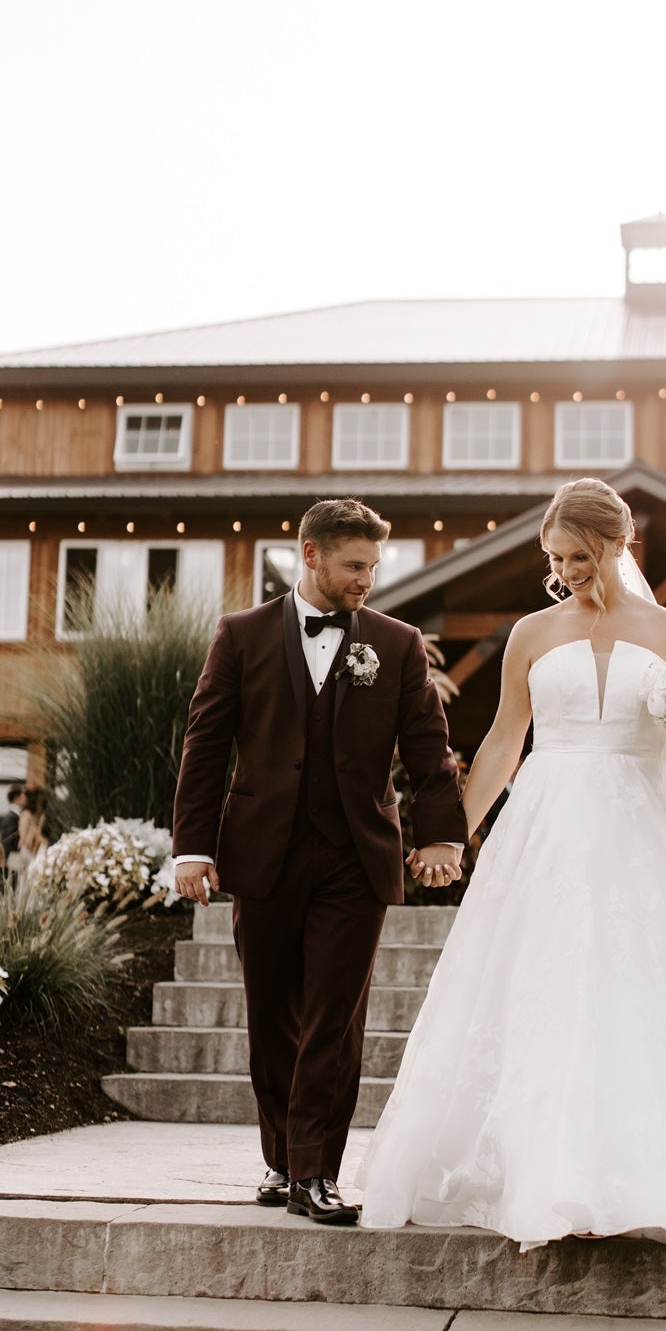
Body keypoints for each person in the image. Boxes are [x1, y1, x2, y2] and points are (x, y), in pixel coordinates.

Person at [360, 478, 666, 1250]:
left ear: (618, 545)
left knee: (641, 989)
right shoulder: (530, 632)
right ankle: (542, 1173)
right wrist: (453, 833)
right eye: (556, 557)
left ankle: (652, 1172)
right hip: (546, 830)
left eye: (580, 556)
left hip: (639, 830)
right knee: (542, 984)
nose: (567, 570)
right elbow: (502, 742)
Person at [172, 498, 467, 1225]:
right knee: (272, 1013)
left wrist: (442, 837)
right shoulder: (239, 636)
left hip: (354, 857)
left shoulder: (396, 645)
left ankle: (315, 1173)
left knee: (334, 1018)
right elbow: (206, 743)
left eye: (374, 565)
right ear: (310, 556)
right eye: (354, 565)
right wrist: (192, 847)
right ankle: (281, 1158)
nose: (368, 579)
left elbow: (430, 748)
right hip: (262, 852)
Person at [0, 784, 26, 875]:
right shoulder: (11, 818)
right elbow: (7, 843)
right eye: (23, 795)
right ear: (16, 798)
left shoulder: (16, 816)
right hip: (12, 863)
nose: (25, 798)